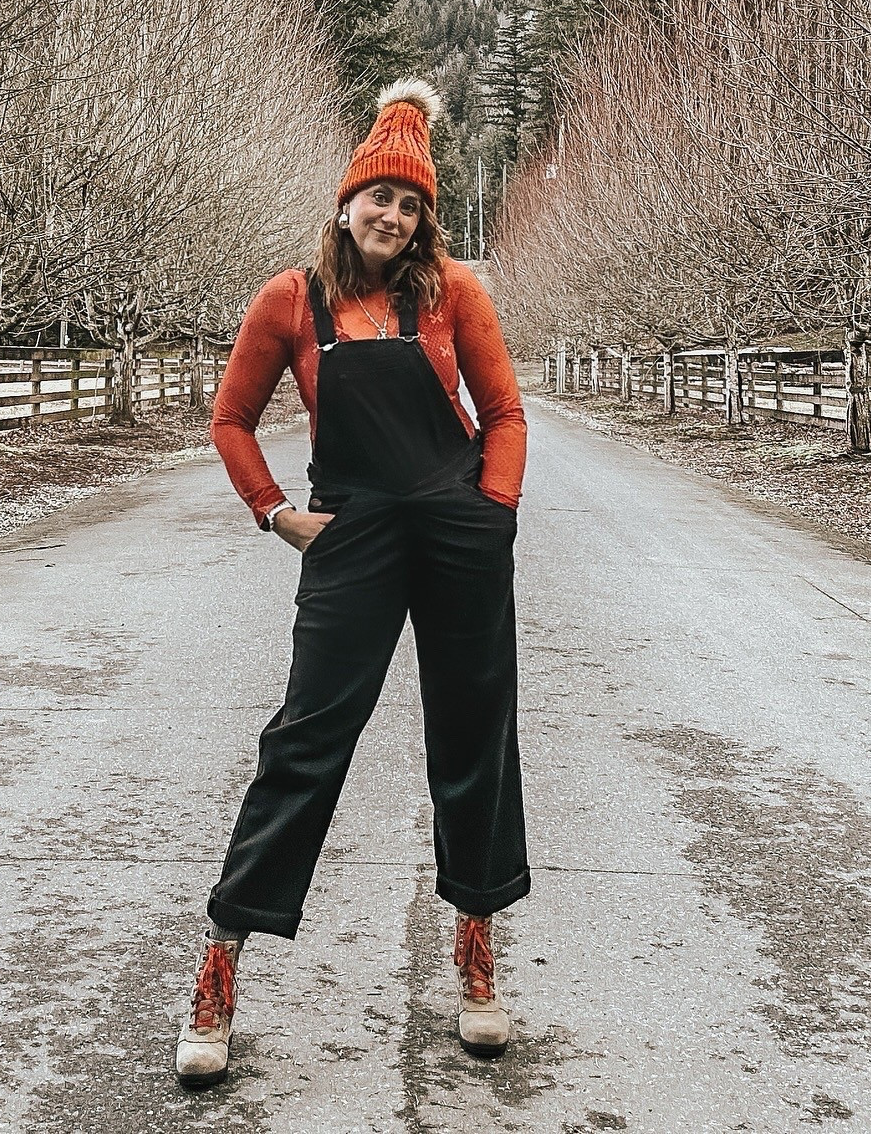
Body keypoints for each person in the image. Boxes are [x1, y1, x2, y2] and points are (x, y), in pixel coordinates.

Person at [175, 78, 529, 1088]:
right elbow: (230, 418)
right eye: (380, 196)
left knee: (475, 736)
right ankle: (220, 963)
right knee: (305, 740)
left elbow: (503, 413)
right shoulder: (292, 298)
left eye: (411, 204)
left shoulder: (453, 291)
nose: (394, 216)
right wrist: (276, 513)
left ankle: (475, 951)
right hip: (353, 533)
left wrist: (493, 514)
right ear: (346, 200)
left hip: (456, 529)